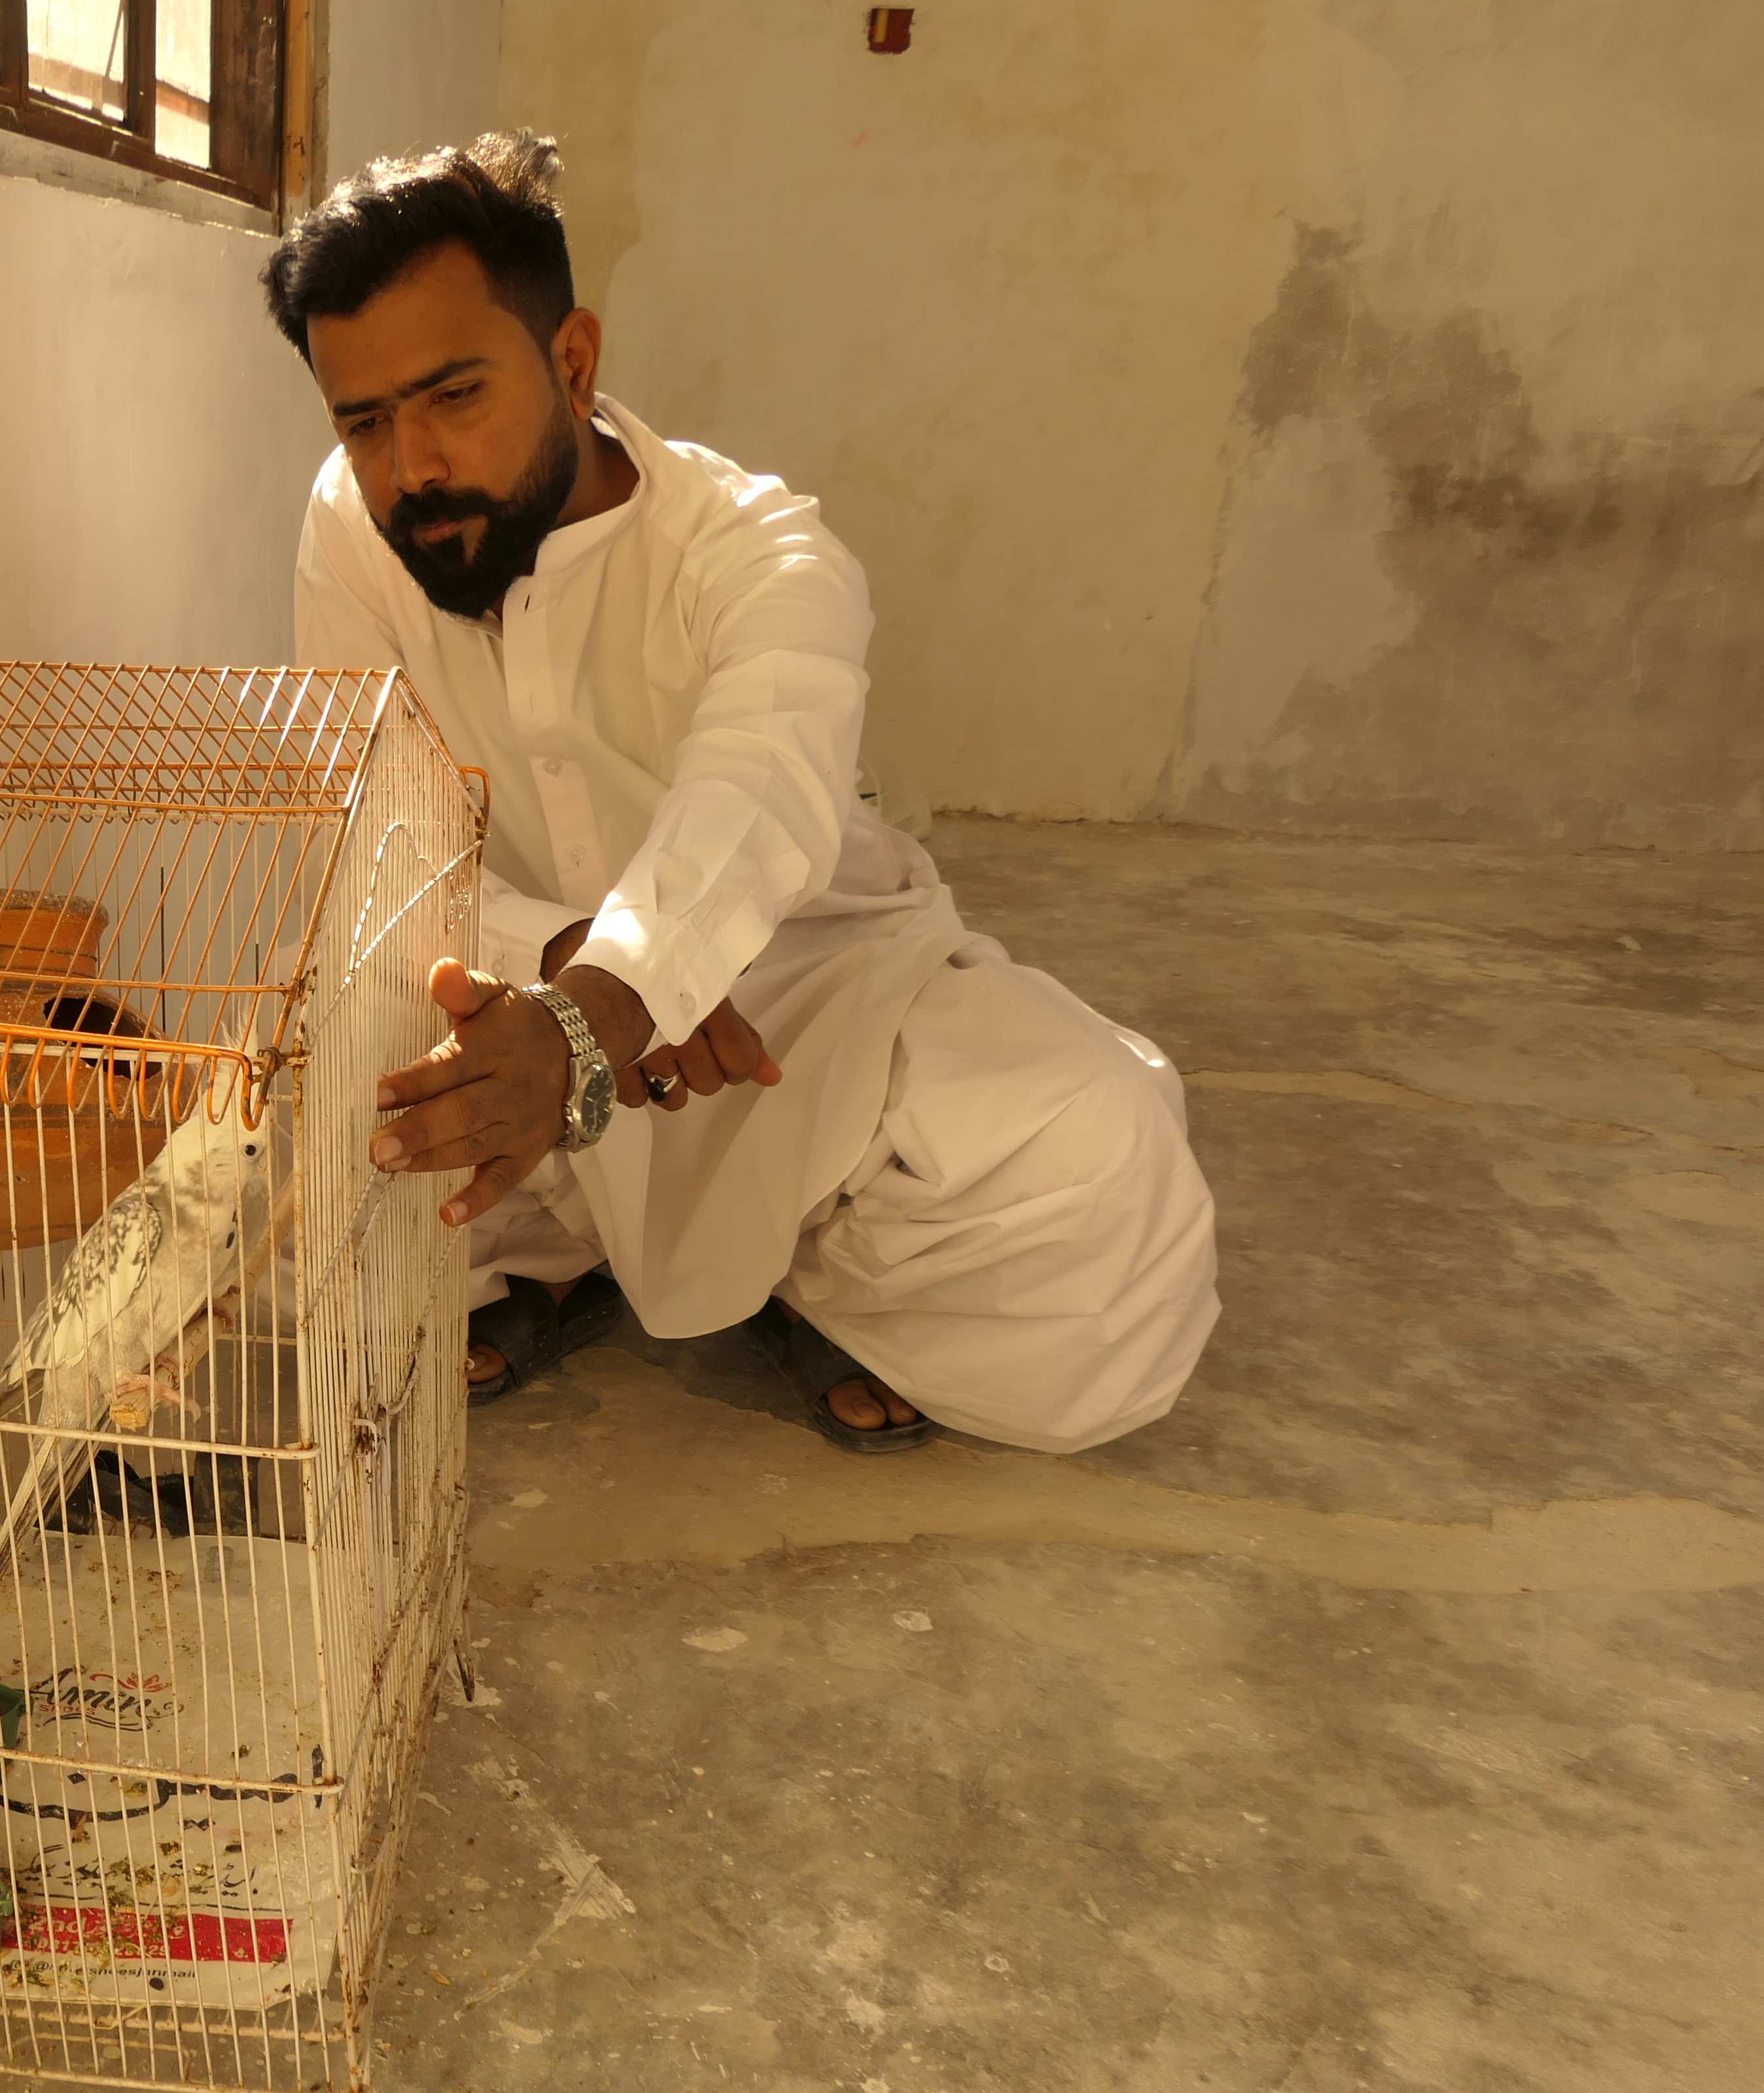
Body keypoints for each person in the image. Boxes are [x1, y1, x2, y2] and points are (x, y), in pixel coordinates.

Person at [262, 132, 1218, 1455]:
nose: (411, 465)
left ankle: (804, 1266)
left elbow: (757, 797)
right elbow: (378, 822)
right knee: (278, 1143)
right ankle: (585, 1260)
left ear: (573, 361)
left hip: (794, 1000)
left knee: (1096, 1162)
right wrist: (563, 971)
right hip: (502, 979)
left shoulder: (762, 552)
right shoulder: (351, 523)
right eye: (363, 421)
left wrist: (608, 1008)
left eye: (454, 395)